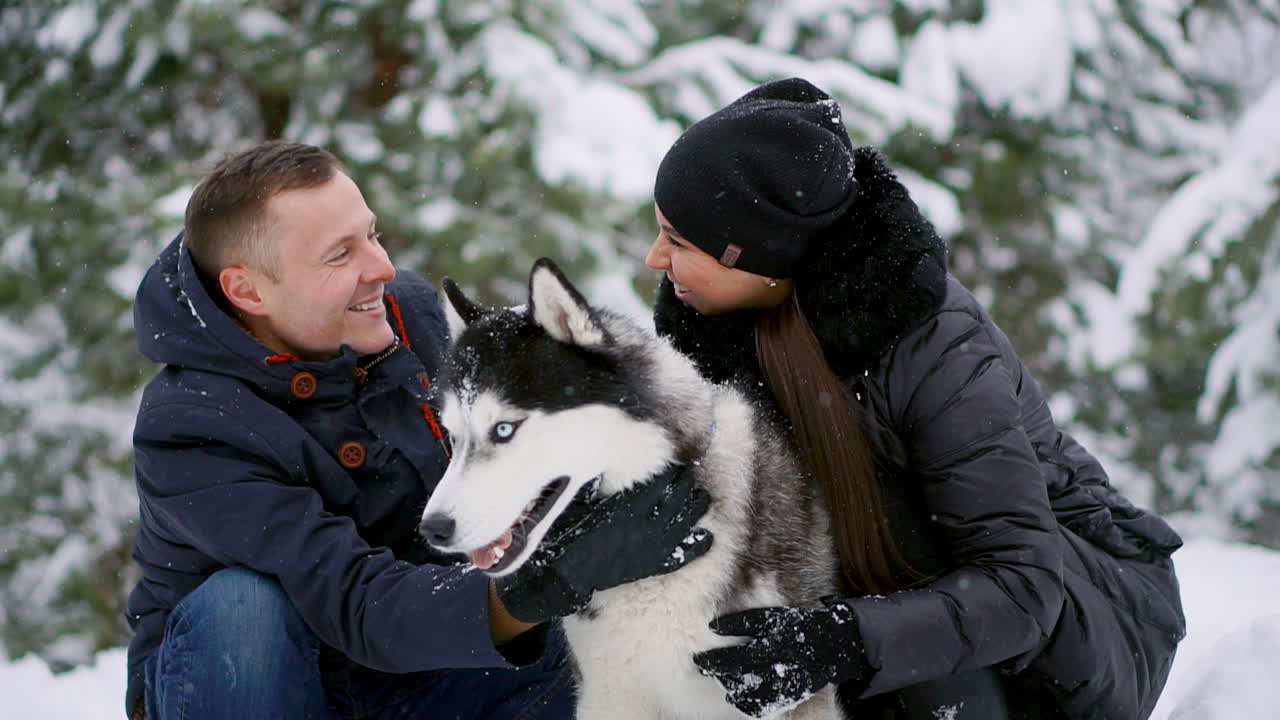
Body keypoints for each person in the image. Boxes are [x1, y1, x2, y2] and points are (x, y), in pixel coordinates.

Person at [644, 78, 1186, 720]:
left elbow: (1020, 585)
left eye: (680, 242)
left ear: (763, 256)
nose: (655, 259)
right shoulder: (715, 333)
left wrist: (839, 638)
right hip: (902, 606)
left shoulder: (936, 350)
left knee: (898, 535)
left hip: (1077, 625)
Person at [124, 141, 712, 720]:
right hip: (270, 682)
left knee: (590, 635)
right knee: (242, 609)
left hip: (422, 671)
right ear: (247, 291)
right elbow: (353, 600)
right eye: (339, 255)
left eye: (372, 235)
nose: (380, 268)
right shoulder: (192, 425)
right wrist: (552, 579)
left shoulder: (405, 312)